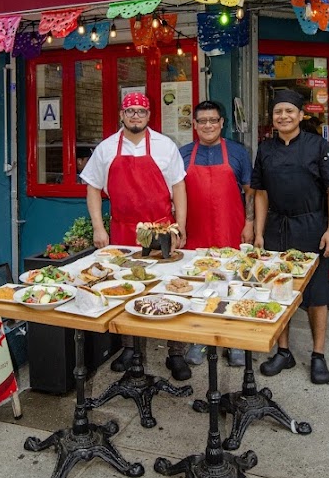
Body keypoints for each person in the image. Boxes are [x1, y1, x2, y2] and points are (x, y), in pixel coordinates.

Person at [80, 92, 190, 380]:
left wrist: (181, 225)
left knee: (166, 288)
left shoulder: (166, 146)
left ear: (149, 115)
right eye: (131, 112)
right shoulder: (105, 149)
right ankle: (130, 348)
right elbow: (92, 187)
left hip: (162, 229)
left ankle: (175, 352)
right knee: (126, 288)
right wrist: (98, 227)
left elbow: (179, 187)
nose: (136, 116)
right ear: (121, 115)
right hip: (123, 230)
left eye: (142, 111)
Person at [251, 89, 329, 384]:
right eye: (278, 111)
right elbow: (261, 194)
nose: (283, 116)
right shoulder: (265, 149)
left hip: (311, 227)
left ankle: (318, 355)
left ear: (301, 115)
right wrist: (258, 233)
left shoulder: (317, 146)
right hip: (276, 228)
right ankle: (284, 351)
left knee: (317, 295)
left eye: (289, 111)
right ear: (272, 118)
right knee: (279, 292)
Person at [179, 100, 254, 368]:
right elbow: (175, 193)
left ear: (222, 123)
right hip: (196, 230)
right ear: (195, 125)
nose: (208, 125)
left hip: (230, 227)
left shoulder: (238, 152)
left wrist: (249, 222)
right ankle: (200, 339)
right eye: (203, 121)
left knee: (232, 282)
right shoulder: (183, 154)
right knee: (199, 283)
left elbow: (249, 190)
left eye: (214, 120)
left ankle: (233, 340)